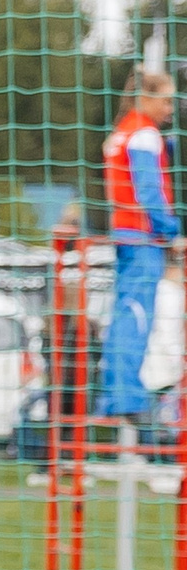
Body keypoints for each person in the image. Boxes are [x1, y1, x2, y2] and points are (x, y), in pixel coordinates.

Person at [102, 71, 181, 421]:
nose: (171, 108)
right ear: (145, 98)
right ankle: (127, 398)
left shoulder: (121, 133)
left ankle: (117, 393)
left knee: (123, 314)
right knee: (136, 316)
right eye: (165, 99)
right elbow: (149, 192)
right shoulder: (145, 136)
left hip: (124, 233)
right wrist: (172, 231)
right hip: (142, 236)